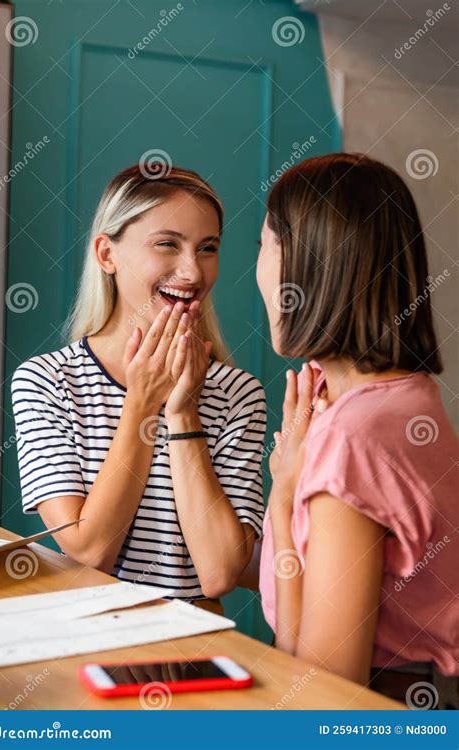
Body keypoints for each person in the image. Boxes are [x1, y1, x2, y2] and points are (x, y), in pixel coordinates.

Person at [11, 164, 266, 612]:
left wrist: (183, 414)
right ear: (106, 255)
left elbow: (220, 571)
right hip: (84, 650)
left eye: (207, 248)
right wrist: (143, 402)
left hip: (194, 654)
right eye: (167, 244)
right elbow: (89, 551)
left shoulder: (238, 394)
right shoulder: (46, 381)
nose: (192, 272)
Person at [256, 153, 458, 706]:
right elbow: (297, 651)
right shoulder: (407, 398)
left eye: (263, 246)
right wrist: (285, 490)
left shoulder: (356, 436)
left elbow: (324, 691)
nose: (258, 272)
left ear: (310, 266)